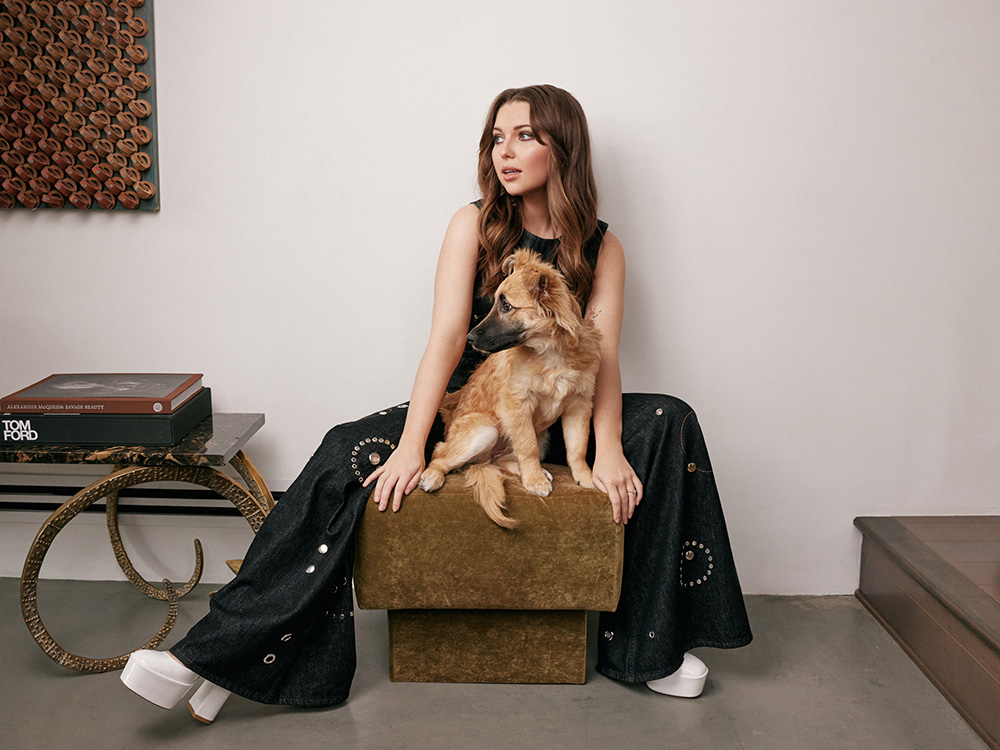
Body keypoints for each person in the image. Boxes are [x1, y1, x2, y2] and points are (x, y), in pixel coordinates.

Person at [120, 85, 753, 723]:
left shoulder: (603, 246)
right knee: (346, 448)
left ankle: (652, 650)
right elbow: (448, 341)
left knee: (672, 416)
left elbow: (603, 356)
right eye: (497, 138)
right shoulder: (472, 224)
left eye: (525, 136)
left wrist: (611, 450)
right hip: (479, 399)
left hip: (563, 404)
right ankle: (213, 654)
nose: (506, 152)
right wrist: (410, 444)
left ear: (565, 149)